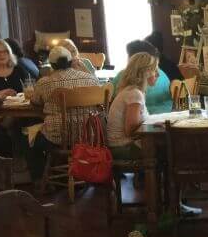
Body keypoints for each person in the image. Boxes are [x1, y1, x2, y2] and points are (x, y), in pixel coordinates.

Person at [28, 45, 101, 180]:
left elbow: (35, 102)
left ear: (51, 65)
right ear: (71, 61)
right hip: (88, 135)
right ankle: (82, 172)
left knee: (30, 141)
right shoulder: (91, 79)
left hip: (58, 137)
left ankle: (41, 180)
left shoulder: (44, 83)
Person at [106, 52, 158, 160]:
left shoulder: (133, 91)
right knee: (165, 148)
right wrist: (153, 123)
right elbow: (130, 130)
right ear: (145, 72)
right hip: (123, 147)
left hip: (122, 145)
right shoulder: (134, 93)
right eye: (154, 70)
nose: (158, 74)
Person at [113, 41, 172, 114]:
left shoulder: (124, 75)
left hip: (144, 115)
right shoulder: (162, 73)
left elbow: (111, 95)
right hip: (167, 112)